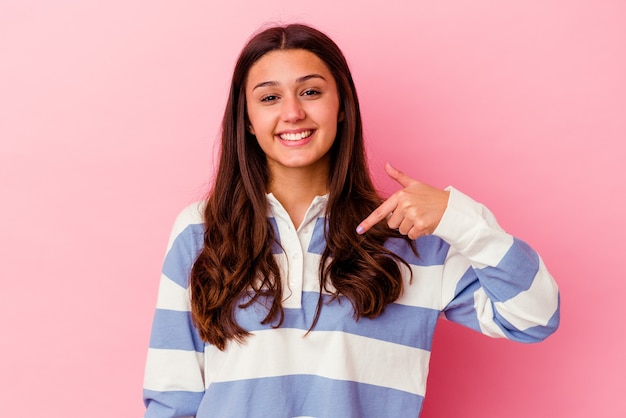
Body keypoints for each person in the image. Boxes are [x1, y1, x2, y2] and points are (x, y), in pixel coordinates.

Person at [143, 23, 560, 418]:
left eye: (310, 92)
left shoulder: (411, 236)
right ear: (247, 120)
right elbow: (171, 398)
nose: (292, 112)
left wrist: (460, 219)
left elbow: (534, 317)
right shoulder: (200, 230)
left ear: (341, 106)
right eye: (269, 97)